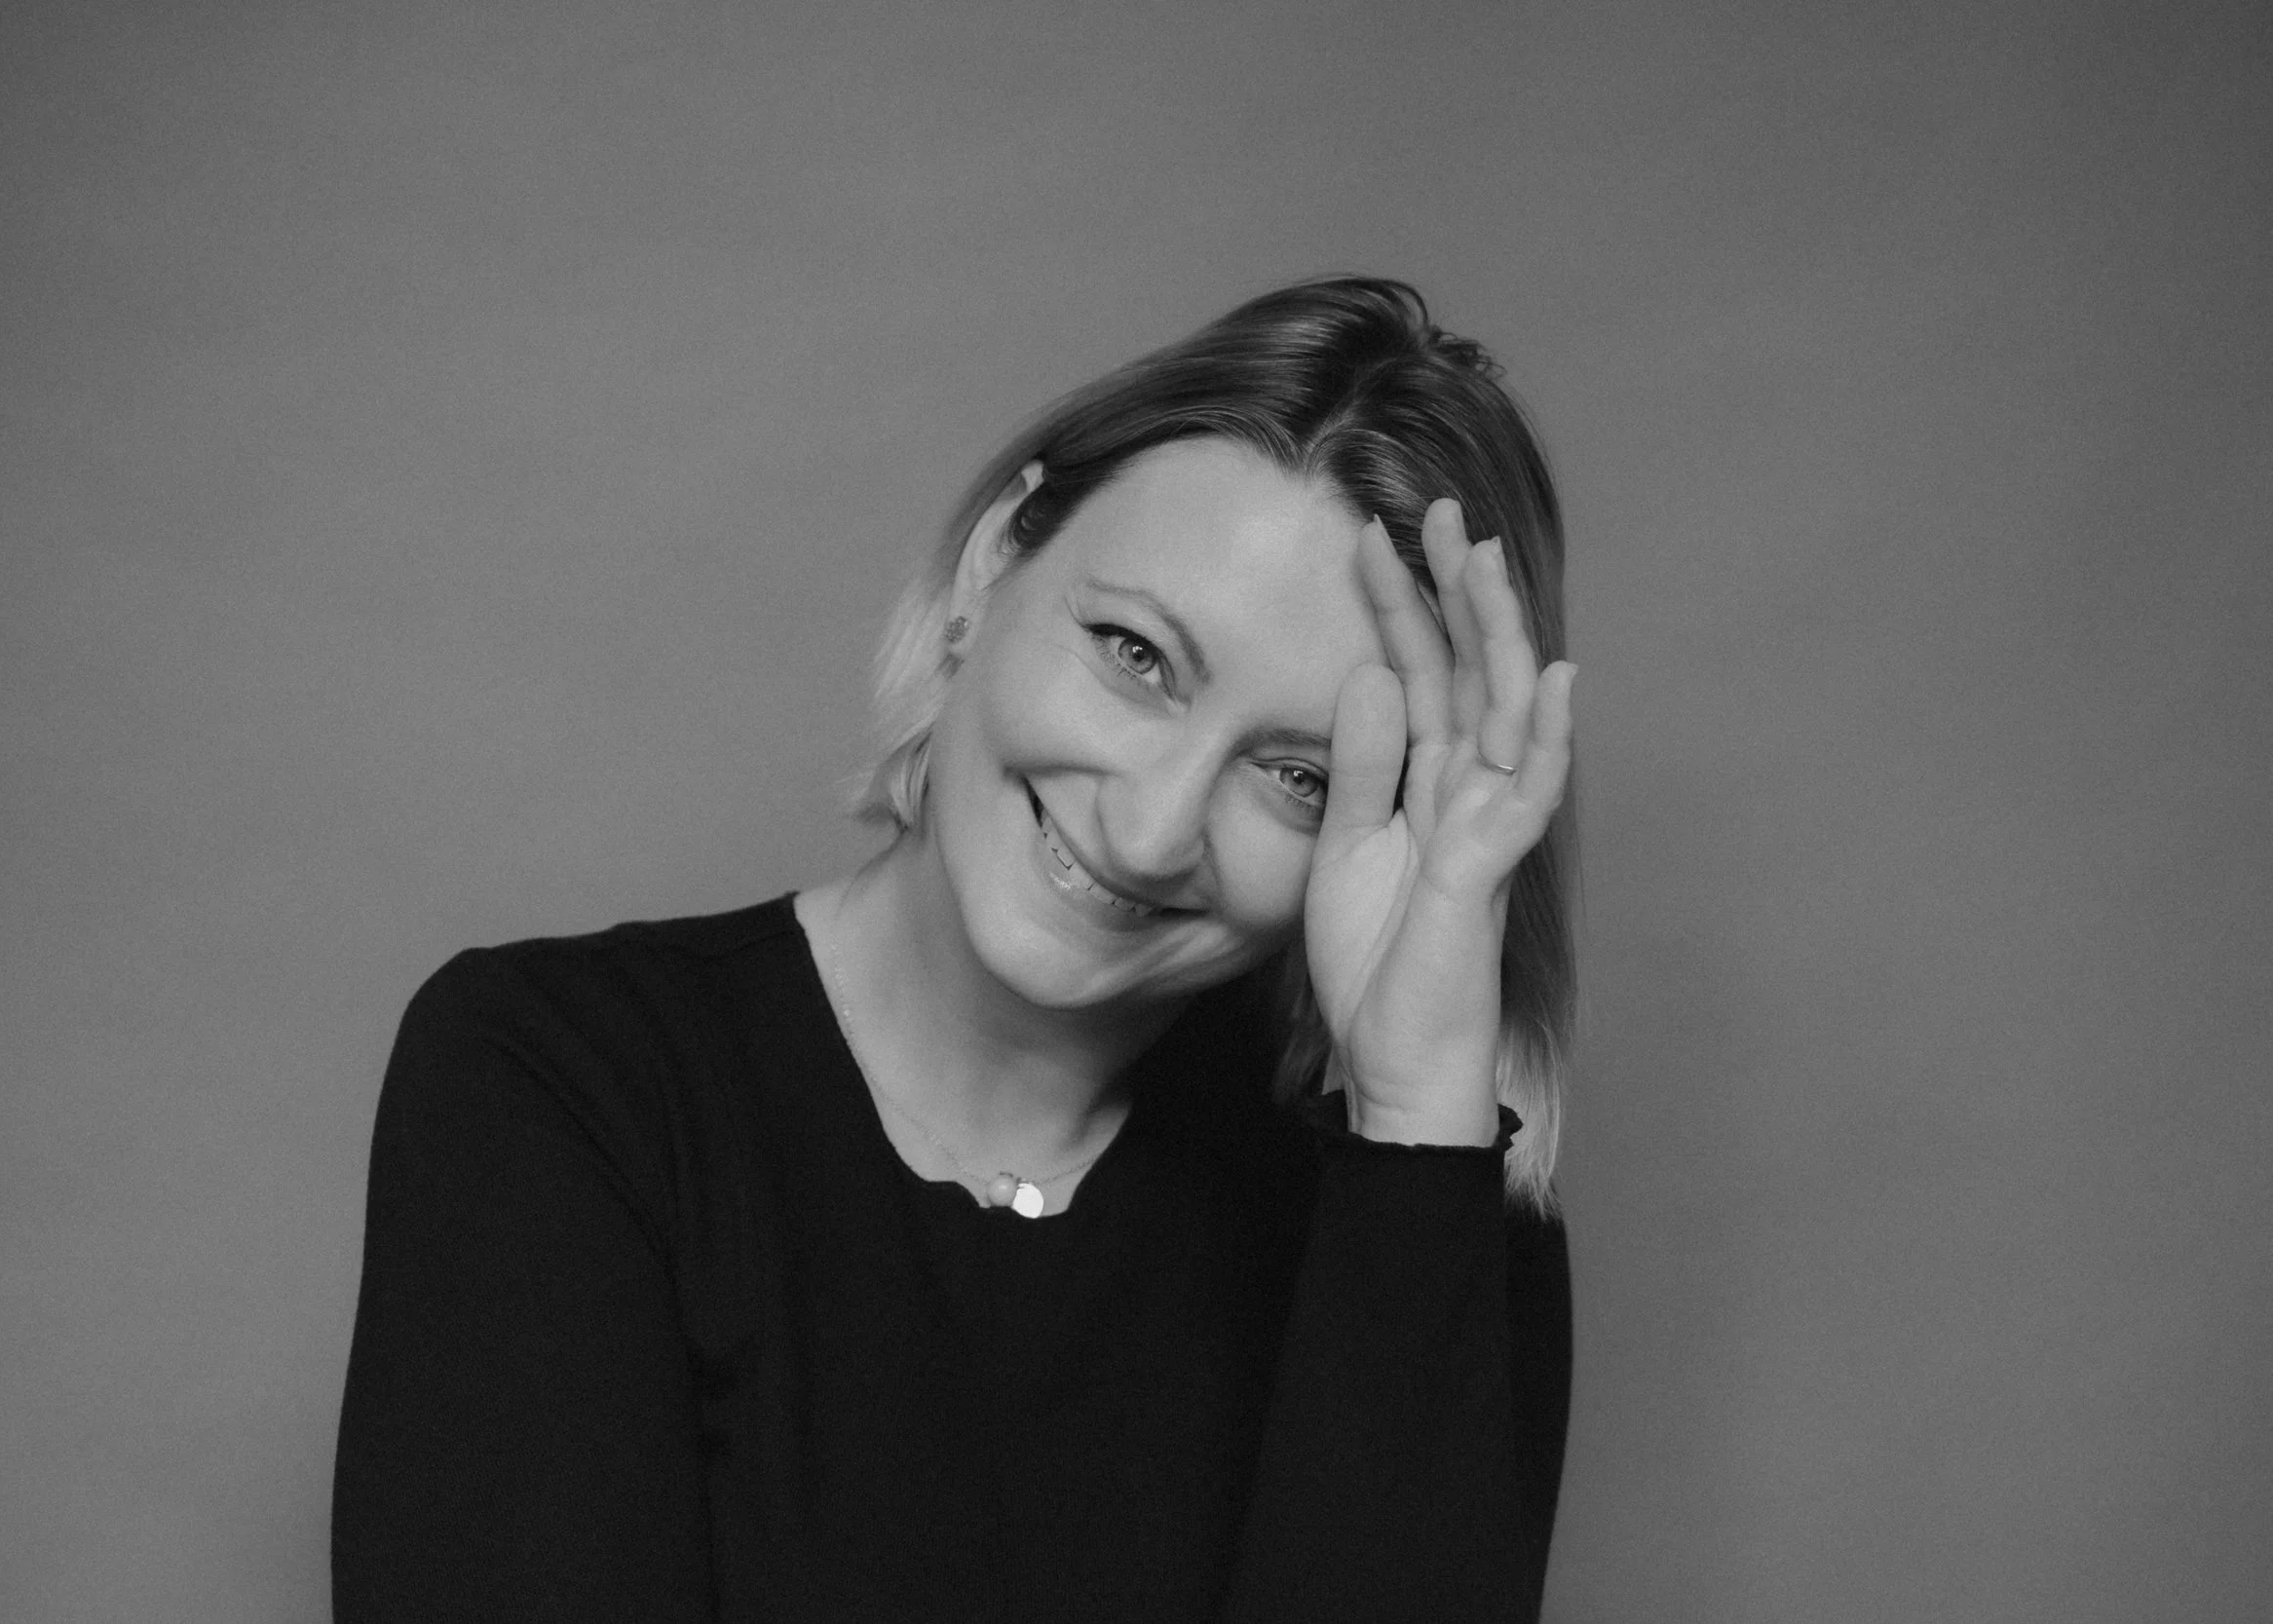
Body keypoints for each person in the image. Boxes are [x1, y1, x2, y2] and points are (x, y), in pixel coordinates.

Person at [331, 276, 1580, 1622]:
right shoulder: (563, 1082)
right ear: (993, 565)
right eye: (1136, 654)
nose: (1155, 829)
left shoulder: (1428, 1222)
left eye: (1295, 777)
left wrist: (1413, 1111)